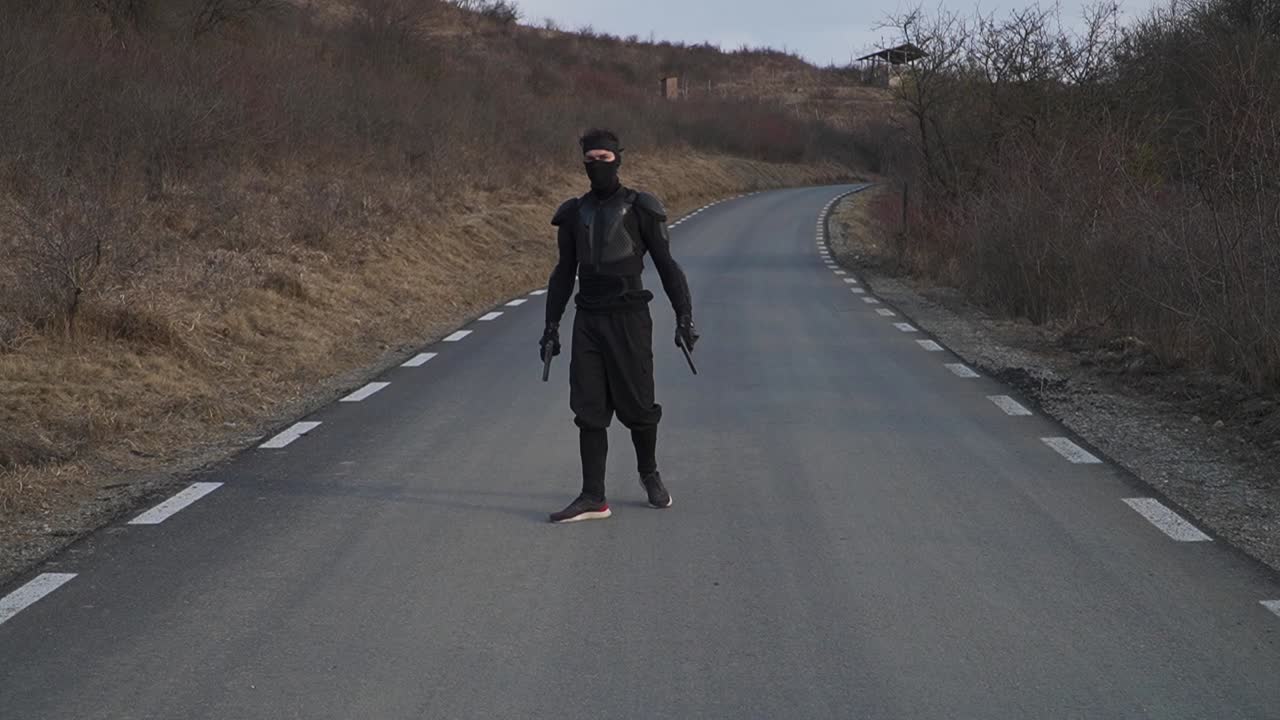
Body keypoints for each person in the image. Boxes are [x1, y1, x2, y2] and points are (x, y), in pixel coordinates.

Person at [540, 128, 698, 523]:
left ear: (618, 160)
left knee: (639, 405)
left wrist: (684, 317)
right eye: (590, 159)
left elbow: (666, 265)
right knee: (588, 408)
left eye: (605, 159)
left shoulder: (641, 207)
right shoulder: (574, 213)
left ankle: (649, 473)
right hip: (589, 318)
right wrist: (551, 325)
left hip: (629, 316)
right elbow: (563, 273)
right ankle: (593, 496)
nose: (597, 166)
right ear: (583, 163)